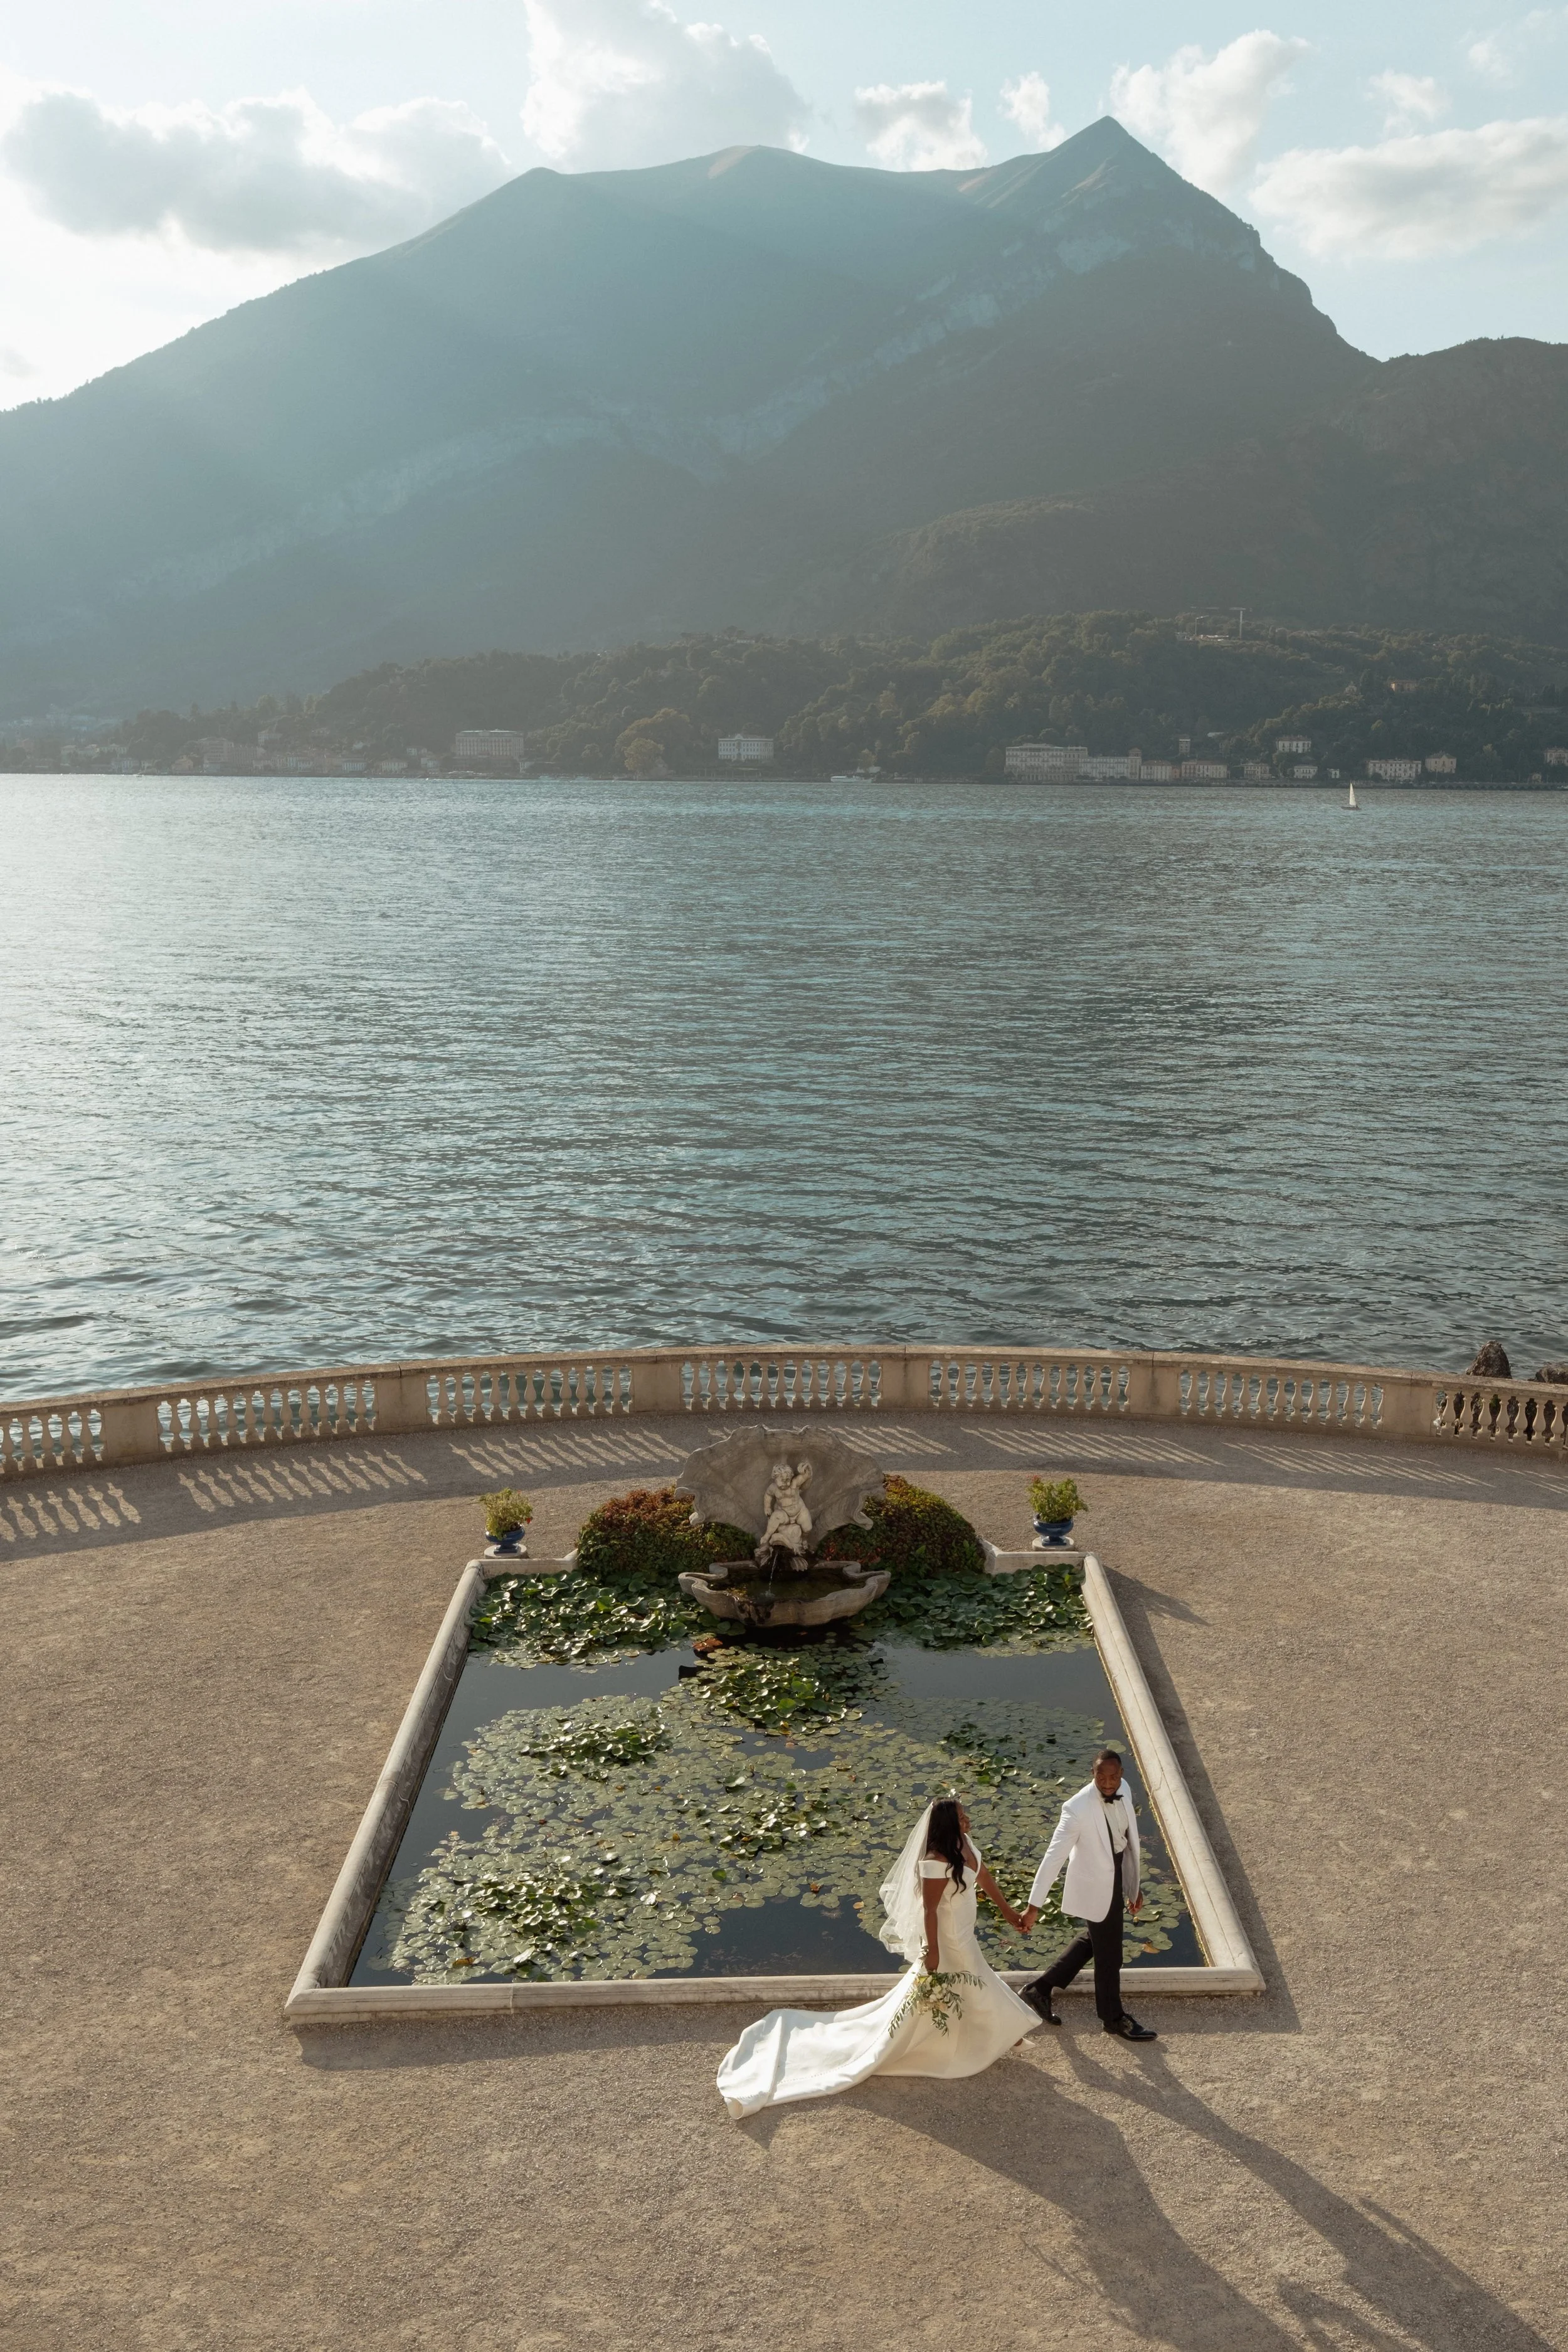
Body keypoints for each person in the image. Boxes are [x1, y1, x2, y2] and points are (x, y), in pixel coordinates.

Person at [716, 1798, 1038, 2117]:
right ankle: (1003, 2036)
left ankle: (995, 2035)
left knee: (971, 1982)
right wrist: (934, 1950)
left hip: (965, 1931)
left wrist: (1009, 1912)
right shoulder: (935, 1862)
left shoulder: (963, 1843)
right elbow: (928, 1910)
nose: (967, 1819)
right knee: (975, 1980)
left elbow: (983, 1878)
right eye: (961, 1816)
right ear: (947, 1824)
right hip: (950, 1937)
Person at [1017, 1747, 1158, 2041]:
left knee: (1095, 1940)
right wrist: (1033, 1906)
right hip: (1095, 1884)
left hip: (1117, 1873)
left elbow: (1126, 1844)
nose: (1107, 1783)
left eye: (1113, 1777)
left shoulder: (1125, 1790)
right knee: (1110, 1955)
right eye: (1100, 1776)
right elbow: (1054, 1857)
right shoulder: (1076, 1809)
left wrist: (1133, 1885)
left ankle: (1039, 1990)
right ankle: (1113, 2018)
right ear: (1092, 1773)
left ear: (1121, 1774)